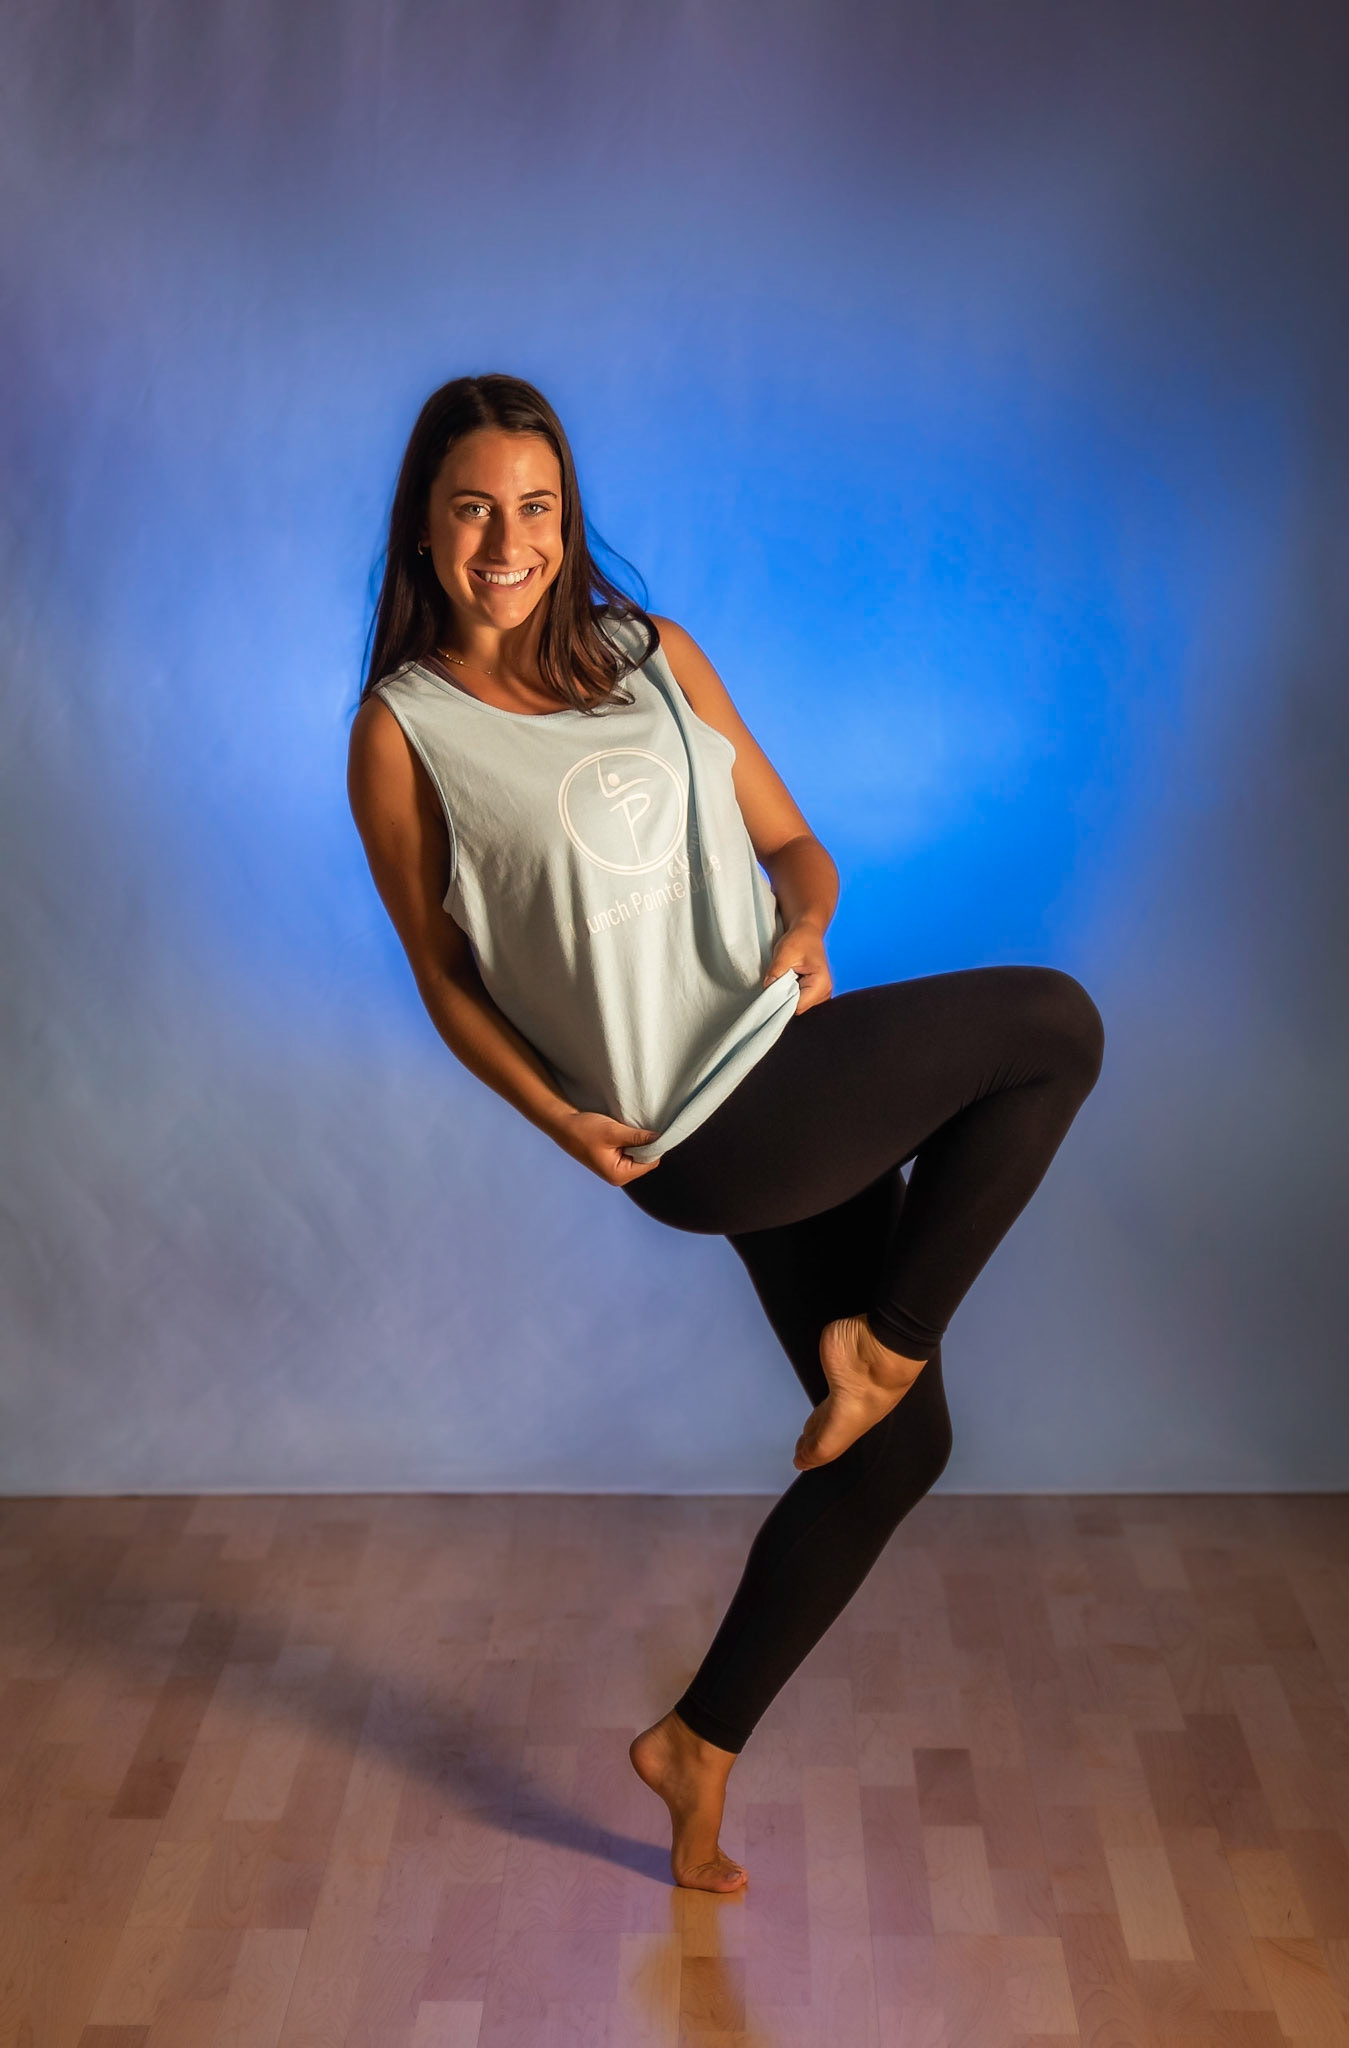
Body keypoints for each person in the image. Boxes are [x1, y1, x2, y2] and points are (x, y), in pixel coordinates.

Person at [348, 371, 1105, 1896]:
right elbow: (442, 981)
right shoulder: (404, 730)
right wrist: (558, 1120)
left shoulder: (652, 651)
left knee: (899, 1451)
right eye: (473, 510)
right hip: (694, 1127)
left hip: (785, 1060)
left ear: (568, 519)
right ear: (424, 530)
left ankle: (694, 1745)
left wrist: (806, 924)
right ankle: (882, 1342)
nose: (507, 541)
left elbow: (792, 844)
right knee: (1050, 1024)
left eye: (536, 508)